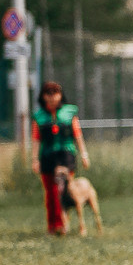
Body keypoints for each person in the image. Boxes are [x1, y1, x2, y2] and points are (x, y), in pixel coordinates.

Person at [30, 81, 91, 236]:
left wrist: (84, 154)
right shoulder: (39, 117)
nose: (52, 97)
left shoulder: (69, 112)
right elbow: (36, 139)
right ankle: (53, 225)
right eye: (48, 94)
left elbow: (78, 135)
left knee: (65, 191)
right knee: (50, 192)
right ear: (43, 97)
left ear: (60, 95)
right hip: (47, 156)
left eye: (55, 93)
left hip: (66, 155)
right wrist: (34, 159)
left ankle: (64, 225)